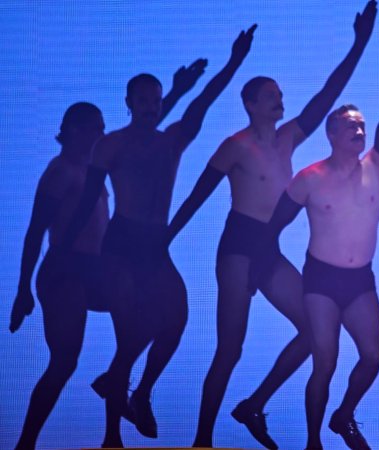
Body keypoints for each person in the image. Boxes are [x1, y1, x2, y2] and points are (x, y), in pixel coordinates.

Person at [165, 3, 378, 449]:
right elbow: (197, 194)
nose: (280, 100)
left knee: (317, 331)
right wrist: (165, 238)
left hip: (268, 249)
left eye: (281, 94)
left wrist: (359, 43)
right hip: (238, 246)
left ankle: (254, 404)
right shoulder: (235, 145)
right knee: (231, 348)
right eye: (272, 95)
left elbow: (325, 97)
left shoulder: (287, 139)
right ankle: (201, 440)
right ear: (251, 104)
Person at [62, 27, 254, 443]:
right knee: (128, 332)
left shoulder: (173, 140)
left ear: (160, 101)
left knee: (176, 318)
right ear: (129, 104)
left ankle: (141, 392)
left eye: (155, 99)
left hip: (154, 245)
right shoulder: (110, 146)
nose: (149, 106)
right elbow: (86, 204)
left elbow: (205, 102)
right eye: (142, 100)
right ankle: (111, 434)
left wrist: (234, 61)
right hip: (120, 244)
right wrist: (64, 252)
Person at [8, 62, 206, 450]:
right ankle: (25, 444)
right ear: (75, 133)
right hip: (65, 271)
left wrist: (179, 91)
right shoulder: (60, 171)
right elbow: (35, 232)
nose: (102, 132)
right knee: (64, 362)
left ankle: (112, 435)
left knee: (135, 330)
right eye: (95, 127)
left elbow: (144, 131)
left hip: (100, 268)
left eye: (103, 126)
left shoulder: (104, 159)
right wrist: (23, 289)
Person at [265, 32, 379, 450]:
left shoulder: (378, 166)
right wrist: (260, 268)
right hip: (321, 279)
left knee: (372, 357)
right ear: (331, 134)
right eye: (351, 126)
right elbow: (272, 226)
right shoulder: (310, 177)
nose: (360, 131)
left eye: (361, 127)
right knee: (324, 361)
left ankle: (344, 414)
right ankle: (313, 442)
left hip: (359, 280)